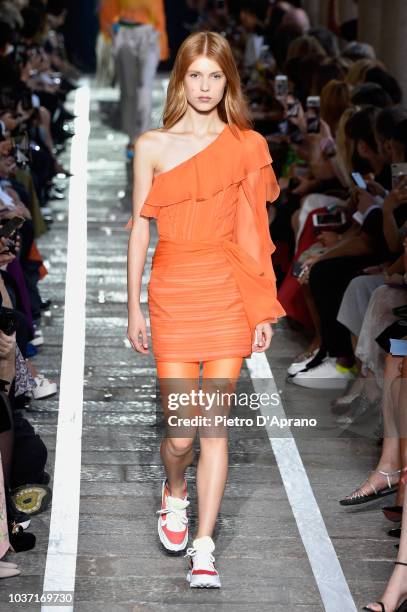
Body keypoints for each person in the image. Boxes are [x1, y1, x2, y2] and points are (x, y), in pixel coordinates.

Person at [125, 30, 285, 588]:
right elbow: (140, 231)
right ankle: (174, 491)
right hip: (172, 291)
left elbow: (253, 232)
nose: (205, 86)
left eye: (215, 76)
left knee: (213, 429)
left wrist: (261, 308)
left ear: (227, 82)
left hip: (225, 294)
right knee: (180, 435)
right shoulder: (152, 145)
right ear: (180, 79)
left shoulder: (246, 145)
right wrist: (133, 307)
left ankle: (205, 543)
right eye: (195, 74)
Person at [99, 0, 170, 157]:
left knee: (145, 87)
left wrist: (161, 41)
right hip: (125, 34)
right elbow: (108, 10)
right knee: (129, 91)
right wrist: (112, 33)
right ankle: (132, 138)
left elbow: (158, 12)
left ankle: (143, 136)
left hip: (149, 35)